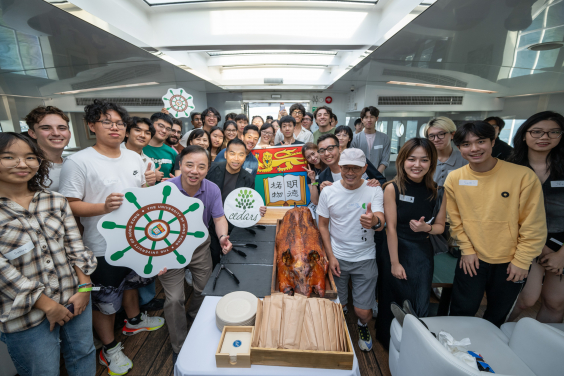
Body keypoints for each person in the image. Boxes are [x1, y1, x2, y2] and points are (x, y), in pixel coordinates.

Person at [59, 100, 165, 376]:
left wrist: (151, 183)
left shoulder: (133, 157)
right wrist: (102, 208)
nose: (114, 127)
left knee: (131, 283)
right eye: (107, 121)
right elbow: (69, 204)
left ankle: (133, 320)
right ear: (91, 126)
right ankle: (109, 347)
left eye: (119, 122)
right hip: (101, 246)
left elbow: (141, 194)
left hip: (137, 239)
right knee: (105, 301)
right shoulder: (78, 161)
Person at [0, 133, 98, 376]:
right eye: (8, 157)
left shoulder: (54, 200)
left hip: (75, 298)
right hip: (25, 313)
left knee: (84, 355)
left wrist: (84, 289)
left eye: (30, 157)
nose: (22, 164)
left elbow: (75, 246)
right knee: (42, 369)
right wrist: (48, 305)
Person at [445, 121, 546, 327]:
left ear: (493, 142)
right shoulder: (455, 178)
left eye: (480, 141)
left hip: (510, 261)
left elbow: (533, 224)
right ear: (459, 148)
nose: (474, 149)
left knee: (497, 315)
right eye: (466, 144)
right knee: (461, 311)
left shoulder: (522, 176)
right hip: (471, 258)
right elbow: (455, 221)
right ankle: (455, 354)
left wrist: (522, 260)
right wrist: (466, 249)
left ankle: (488, 355)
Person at [160, 145, 233, 363]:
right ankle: (180, 346)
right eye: (189, 165)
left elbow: (219, 218)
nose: (195, 171)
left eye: (201, 166)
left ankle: (194, 314)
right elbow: (149, 226)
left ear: (207, 169)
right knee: (174, 299)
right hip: (168, 249)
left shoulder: (211, 189)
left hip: (200, 246)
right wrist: (155, 258)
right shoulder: (165, 189)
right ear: (180, 165)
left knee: (205, 289)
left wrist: (222, 238)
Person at [376, 138, 447, 347]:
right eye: (411, 159)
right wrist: (395, 263)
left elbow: (441, 226)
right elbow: (391, 228)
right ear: (402, 161)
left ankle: (415, 344)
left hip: (421, 252)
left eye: (424, 160)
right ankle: (389, 342)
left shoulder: (438, 191)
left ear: (431, 163)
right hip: (395, 248)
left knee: (419, 296)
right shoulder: (392, 188)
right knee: (393, 297)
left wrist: (428, 228)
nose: (417, 165)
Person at [317, 148, 385, 352]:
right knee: (339, 306)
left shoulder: (374, 190)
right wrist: (330, 256)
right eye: (346, 167)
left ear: (365, 168)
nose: (350, 172)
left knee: (363, 312)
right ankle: (341, 325)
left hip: (365, 257)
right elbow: (322, 225)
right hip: (337, 257)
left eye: (356, 168)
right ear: (340, 167)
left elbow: (381, 223)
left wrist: (373, 221)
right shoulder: (328, 191)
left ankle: (363, 326)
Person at [507, 111, 564, 323]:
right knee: (526, 299)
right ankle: (499, 338)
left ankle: (540, 348)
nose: (544, 137)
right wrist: (541, 247)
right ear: (524, 135)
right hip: (524, 241)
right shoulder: (510, 167)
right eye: (537, 132)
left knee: (555, 301)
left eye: (553, 132)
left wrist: (560, 254)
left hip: (561, 243)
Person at [206, 138, 267, 267]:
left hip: (231, 223)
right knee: (212, 255)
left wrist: (258, 210)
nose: (236, 158)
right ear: (225, 154)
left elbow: (248, 202)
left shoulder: (248, 178)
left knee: (228, 256)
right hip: (209, 220)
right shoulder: (212, 169)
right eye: (232, 153)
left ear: (245, 156)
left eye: (241, 154)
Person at [24, 105, 72, 192]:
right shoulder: (26, 167)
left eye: (62, 128)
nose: (56, 133)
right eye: (46, 128)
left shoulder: (73, 164)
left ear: (69, 133)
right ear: (32, 133)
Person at [317, 134, 386, 191]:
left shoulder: (357, 160)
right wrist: (322, 190)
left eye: (330, 148)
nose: (326, 154)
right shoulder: (323, 176)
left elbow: (382, 180)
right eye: (322, 151)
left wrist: (377, 183)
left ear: (339, 148)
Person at [424, 116, 468, 186]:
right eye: (431, 136)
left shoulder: (465, 159)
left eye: (441, 134)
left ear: (452, 135)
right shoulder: (424, 160)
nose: (436, 139)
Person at [351, 106, 391, 175]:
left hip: (378, 177)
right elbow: (353, 159)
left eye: (372, 117)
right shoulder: (355, 138)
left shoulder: (385, 138)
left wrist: (376, 176)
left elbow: (385, 160)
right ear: (362, 120)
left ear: (376, 119)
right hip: (359, 176)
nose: (369, 120)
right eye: (366, 117)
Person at [144, 112, 178, 184]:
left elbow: (176, 178)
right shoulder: (139, 148)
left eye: (168, 129)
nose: (164, 131)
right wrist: (152, 176)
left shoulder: (172, 153)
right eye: (160, 126)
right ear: (151, 125)